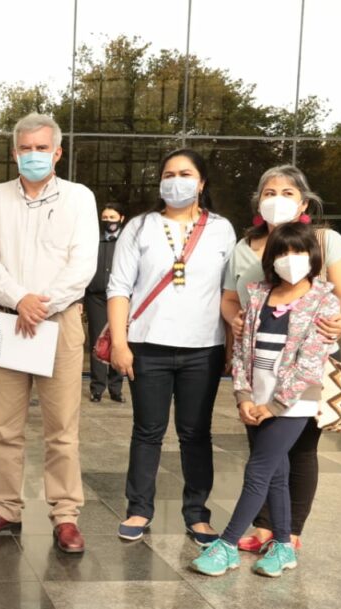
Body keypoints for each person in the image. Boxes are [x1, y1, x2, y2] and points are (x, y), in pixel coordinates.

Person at [0, 113, 98, 554]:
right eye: (26, 147)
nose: (34, 155)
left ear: (58, 153)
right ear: (14, 152)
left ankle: (65, 515)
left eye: (43, 148)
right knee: (6, 427)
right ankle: (5, 508)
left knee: (62, 428)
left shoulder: (79, 199)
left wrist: (42, 304)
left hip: (58, 323)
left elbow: (83, 264)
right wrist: (20, 298)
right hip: (7, 320)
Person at [221, 165, 341, 551]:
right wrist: (236, 322)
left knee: (298, 448)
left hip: (305, 361)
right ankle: (268, 528)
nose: (276, 198)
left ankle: (291, 531)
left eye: (286, 191)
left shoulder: (325, 240)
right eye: (268, 191)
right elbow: (232, 298)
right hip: (260, 361)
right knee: (266, 448)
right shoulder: (246, 246)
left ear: (303, 200)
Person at [193, 223, 340, 577]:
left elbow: (309, 363)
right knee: (276, 473)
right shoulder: (258, 294)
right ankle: (284, 548)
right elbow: (242, 350)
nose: (291, 259)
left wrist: (274, 406)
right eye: (283, 252)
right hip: (256, 398)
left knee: (258, 469)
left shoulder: (324, 300)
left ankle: (227, 545)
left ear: (313, 257)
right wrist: (243, 395)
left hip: (294, 403)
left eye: (299, 252)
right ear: (271, 258)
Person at [107, 149, 237, 545]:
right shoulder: (140, 227)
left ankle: (197, 514)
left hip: (204, 347)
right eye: (168, 173)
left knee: (195, 432)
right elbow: (119, 288)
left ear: (201, 183)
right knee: (147, 431)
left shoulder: (221, 229)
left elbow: (229, 292)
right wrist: (119, 342)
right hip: (148, 345)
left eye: (185, 173)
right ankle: (139, 508)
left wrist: (231, 346)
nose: (175, 180)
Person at [86, 202, 127, 403]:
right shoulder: (93, 241)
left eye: (112, 218)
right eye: (105, 218)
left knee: (118, 340)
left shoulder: (127, 242)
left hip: (120, 298)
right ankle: (97, 388)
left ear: (121, 218)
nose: (108, 222)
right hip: (96, 297)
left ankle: (116, 388)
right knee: (97, 341)